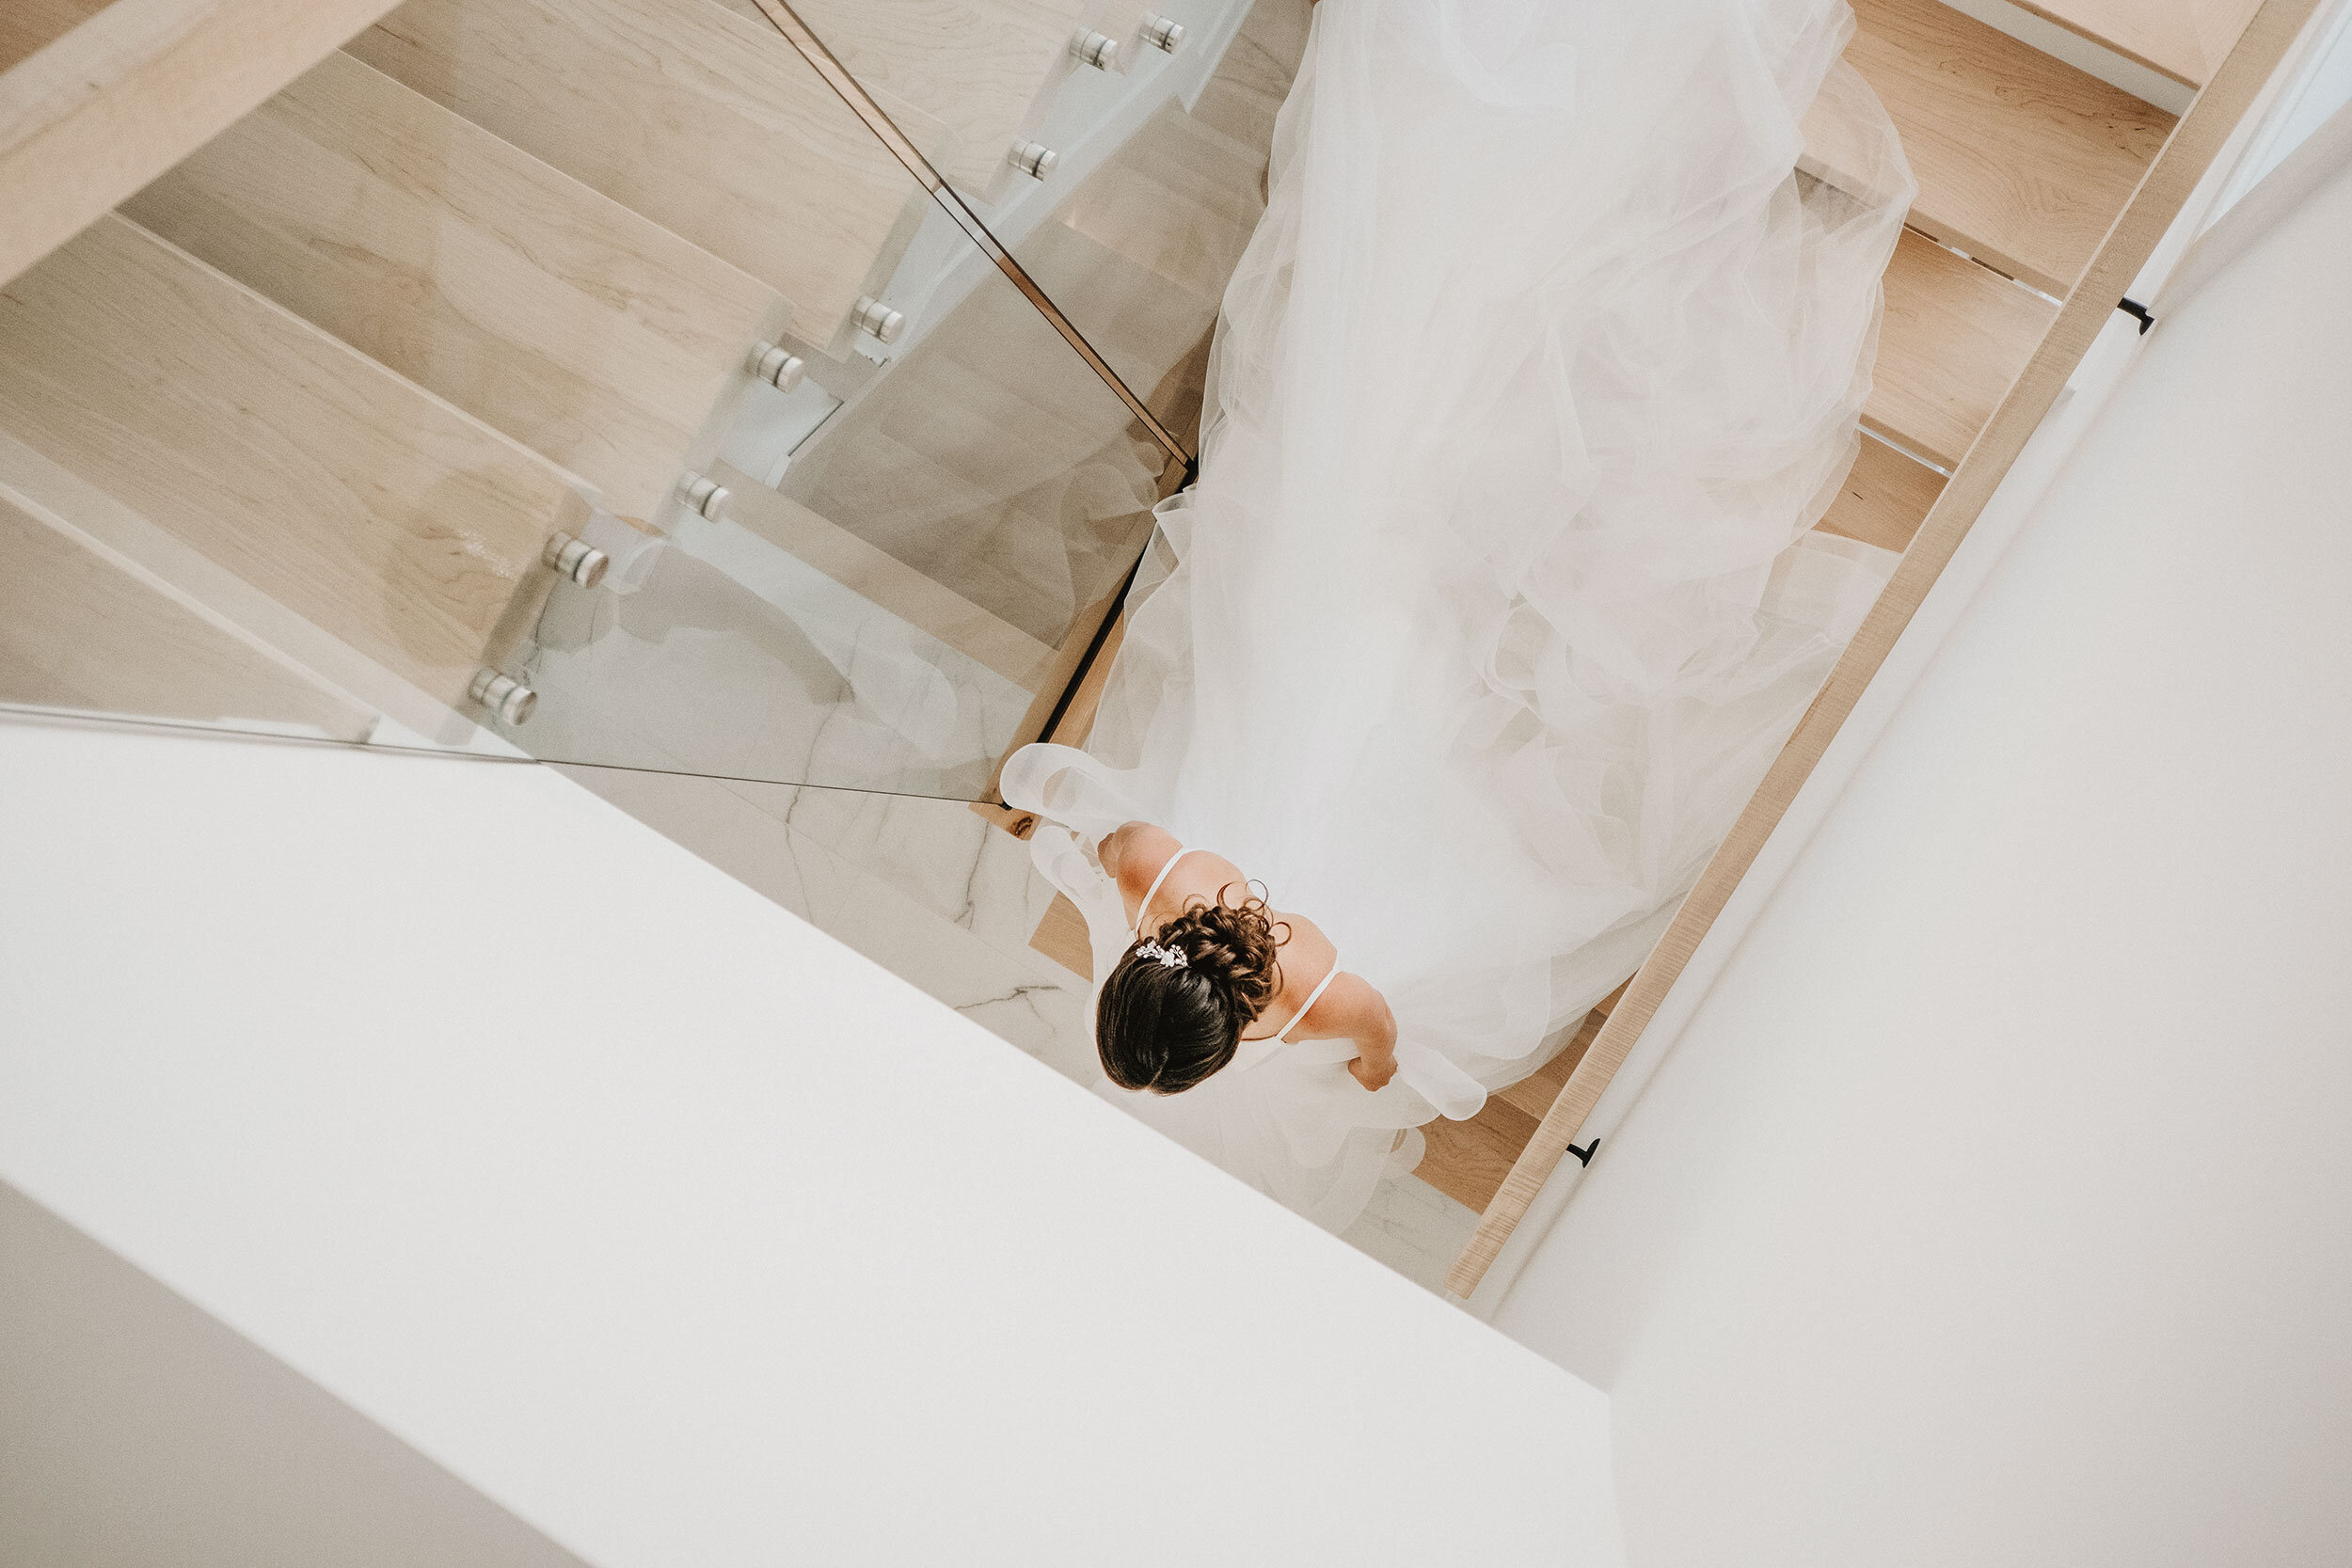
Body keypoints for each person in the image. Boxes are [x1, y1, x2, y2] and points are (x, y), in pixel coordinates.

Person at [1003, 0, 1914, 1232]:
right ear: (1136, 963)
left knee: (1457, 639)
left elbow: (1381, 1053)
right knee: (1375, 494)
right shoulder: (1160, 869)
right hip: (1312, 655)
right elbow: (1100, 835)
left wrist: (1359, 1067)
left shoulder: (1323, 989)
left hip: (1396, 722)